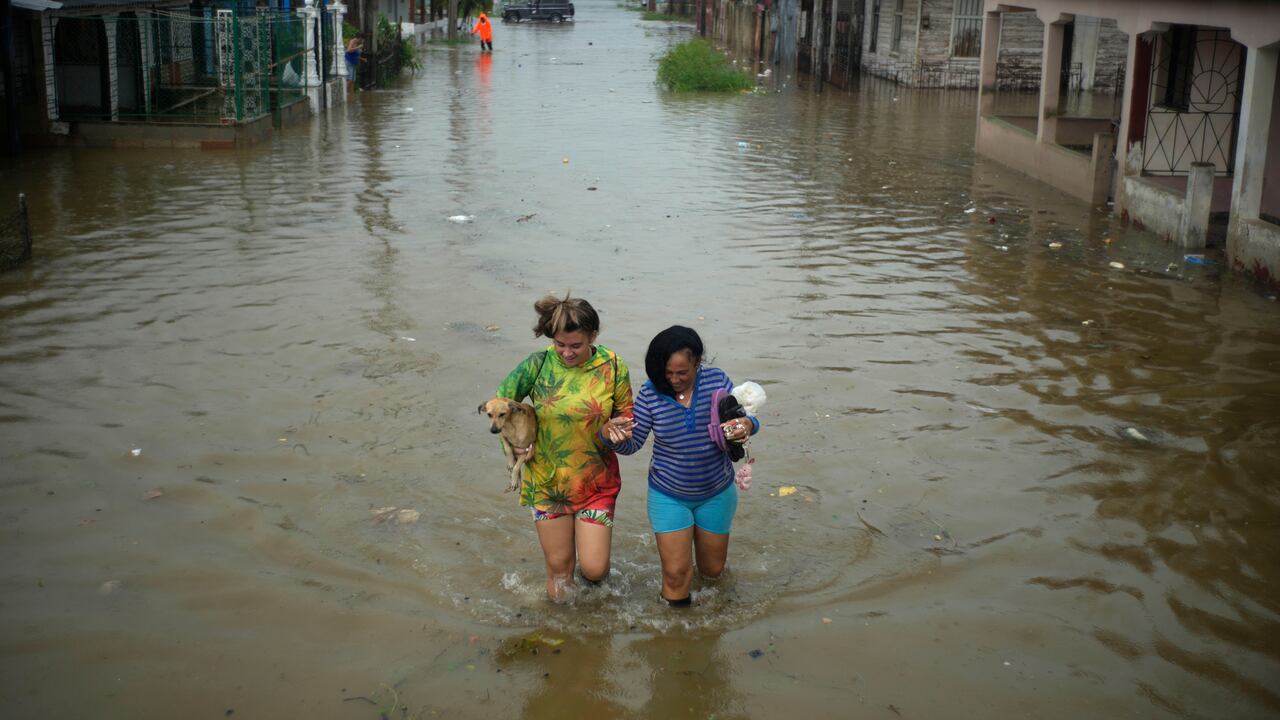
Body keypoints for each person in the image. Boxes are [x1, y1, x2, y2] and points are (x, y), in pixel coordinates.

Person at [603, 326, 759, 607]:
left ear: (698, 363)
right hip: (668, 495)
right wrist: (610, 435)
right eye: (667, 373)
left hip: (716, 492)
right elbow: (632, 444)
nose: (674, 380)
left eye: (682, 373)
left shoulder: (717, 381)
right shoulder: (650, 393)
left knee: (713, 572)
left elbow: (744, 419)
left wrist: (747, 425)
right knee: (676, 575)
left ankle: (710, 626)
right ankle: (676, 637)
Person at [497, 293, 633, 600]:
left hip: (596, 481)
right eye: (560, 344)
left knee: (595, 569)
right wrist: (515, 446)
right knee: (559, 570)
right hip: (547, 481)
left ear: (592, 336)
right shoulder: (538, 364)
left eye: (576, 345)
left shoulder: (613, 365)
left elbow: (627, 415)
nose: (567, 353)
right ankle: (561, 636)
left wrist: (617, 429)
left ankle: (595, 612)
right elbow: (500, 405)